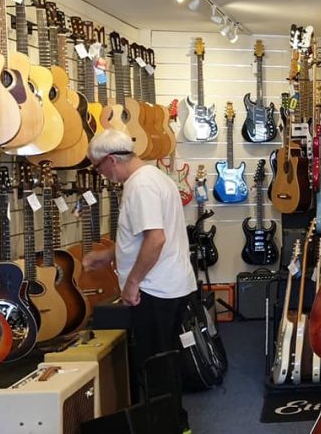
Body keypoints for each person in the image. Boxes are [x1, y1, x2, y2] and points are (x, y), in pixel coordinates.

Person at [83, 129, 195, 430]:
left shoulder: (140, 186)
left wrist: (132, 282)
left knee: (156, 366)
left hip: (155, 291)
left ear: (110, 160)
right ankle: (176, 423)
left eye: (99, 168)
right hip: (170, 285)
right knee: (165, 361)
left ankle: (168, 427)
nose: (103, 175)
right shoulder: (154, 177)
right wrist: (108, 255)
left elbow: (155, 240)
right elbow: (143, 237)